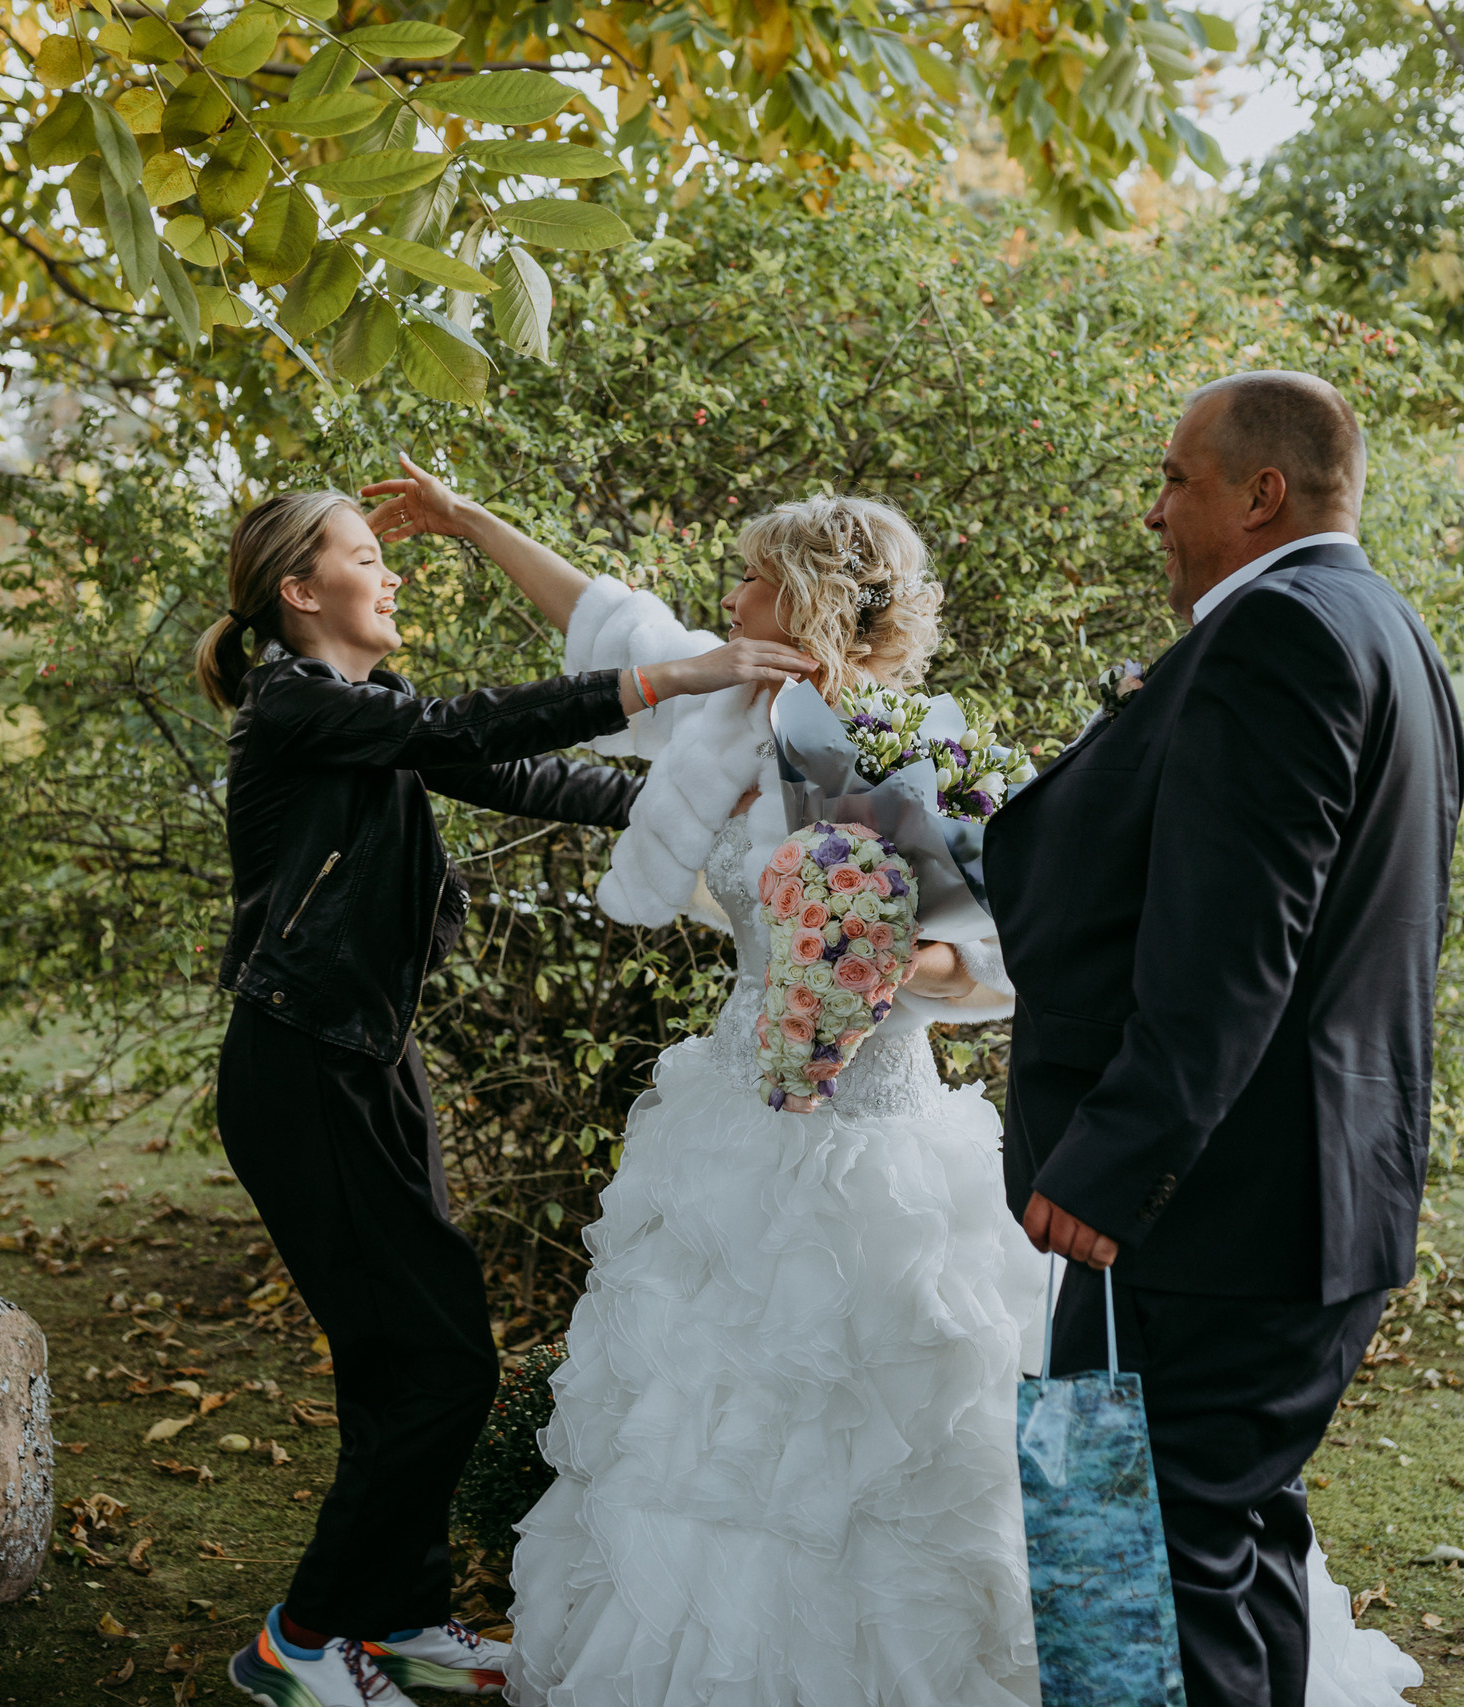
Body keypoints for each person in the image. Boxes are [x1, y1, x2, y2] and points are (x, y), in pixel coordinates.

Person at [360, 461, 1047, 1707]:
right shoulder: (731, 706)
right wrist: (466, 518)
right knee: (705, 1413)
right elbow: (604, 620)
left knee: (865, 1405)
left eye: (750, 574)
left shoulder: (919, 747)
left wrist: (881, 964)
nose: (727, 591)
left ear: (807, 597)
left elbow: (987, 944)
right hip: (734, 1113)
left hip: (874, 1129)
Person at [200, 486, 819, 1707]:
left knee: (407, 1358)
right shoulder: (294, 702)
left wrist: (710, 813)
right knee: (438, 1364)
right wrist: (674, 679)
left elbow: (524, 774)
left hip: (362, 1057)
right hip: (302, 1064)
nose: (391, 577)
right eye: (368, 558)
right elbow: (469, 723)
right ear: (298, 590)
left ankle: (402, 1619)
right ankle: (301, 1641)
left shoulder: (363, 713)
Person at [986, 370, 1461, 1707]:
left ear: (1262, 494)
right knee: (1236, 1537)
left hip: (1204, 1211)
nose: (1154, 512)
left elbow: (1231, 949)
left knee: (1123, 1550)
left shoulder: (1282, 637)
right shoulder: (1388, 631)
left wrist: (1111, 1162)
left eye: (1177, 479)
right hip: (1318, 1200)